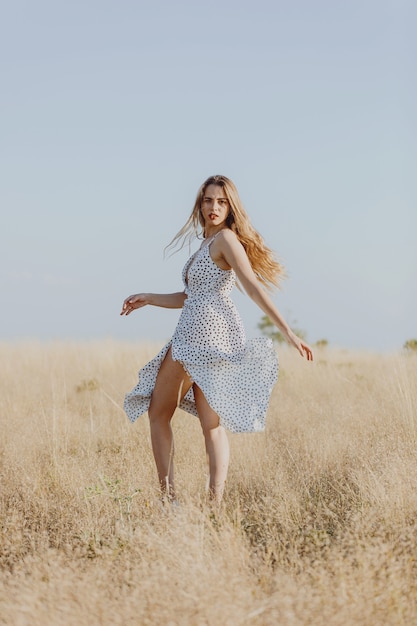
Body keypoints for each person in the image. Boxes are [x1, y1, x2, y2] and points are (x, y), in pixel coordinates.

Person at [121, 175, 313, 504]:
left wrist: (289, 333)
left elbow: (251, 286)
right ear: (200, 205)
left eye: (222, 202)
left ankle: (170, 501)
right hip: (214, 336)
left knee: (157, 413)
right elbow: (191, 296)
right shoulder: (207, 243)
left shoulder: (225, 239)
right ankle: (215, 504)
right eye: (209, 200)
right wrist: (149, 297)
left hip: (198, 336)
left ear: (231, 207)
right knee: (211, 424)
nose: (214, 207)